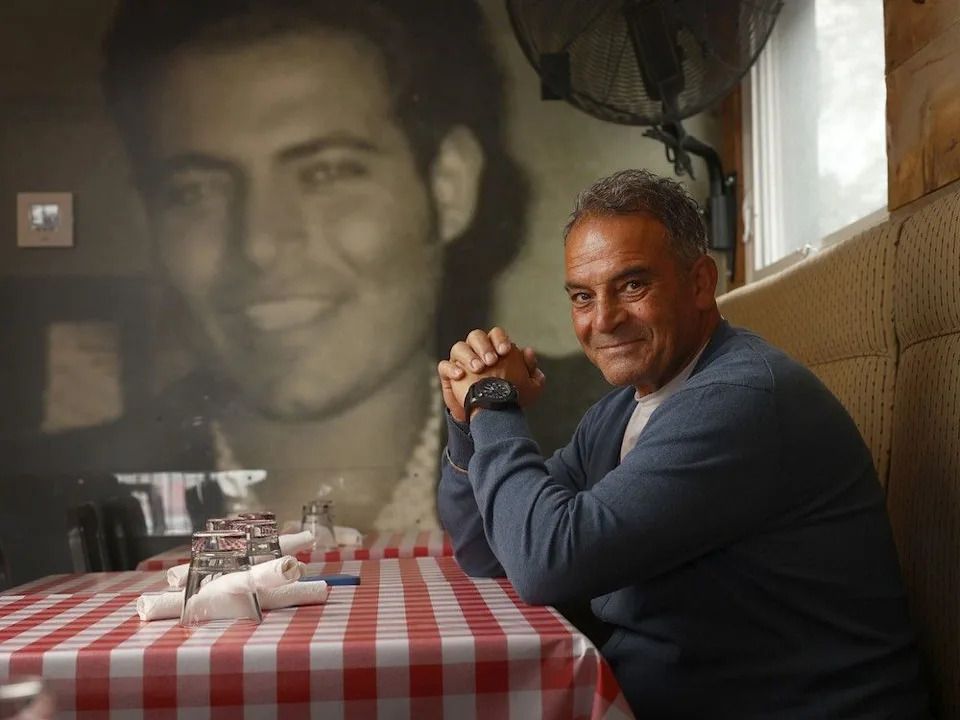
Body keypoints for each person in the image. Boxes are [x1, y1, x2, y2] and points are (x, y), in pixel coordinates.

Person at [87, 0, 608, 530]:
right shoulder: (81, 492)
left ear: (448, 187)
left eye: (327, 173)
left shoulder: (604, 434)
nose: (259, 244)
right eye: (194, 191)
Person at [436, 169, 928, 717]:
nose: (604, 320)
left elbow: (546, 562)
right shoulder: (629, 405)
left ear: (699, 283)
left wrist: (493, 399)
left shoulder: (740, 399)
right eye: (582, 296)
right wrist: (466, 419)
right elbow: (487, 548)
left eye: (632, 285)